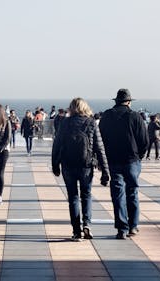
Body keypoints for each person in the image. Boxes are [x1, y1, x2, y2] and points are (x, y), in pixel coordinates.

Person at [52, 98, 109, 241]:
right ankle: (87, 225)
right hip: (86, 165)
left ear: (71, 108)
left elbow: (57, 144)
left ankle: (76, 231)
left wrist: (55, 165)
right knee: (86, 195)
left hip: (68, 165)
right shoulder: (91, 122)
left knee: (73, 197)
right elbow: (99, 147)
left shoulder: (65, 123)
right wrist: (105, 171)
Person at [99, 89, 148, 240]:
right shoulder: (135, 116)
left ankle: (122, 228)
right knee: (132, 192)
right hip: (131, 160)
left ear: (116, 101)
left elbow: (100, 139)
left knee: (117, 194)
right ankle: (133, 226)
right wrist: (138, 156)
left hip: (112, 160)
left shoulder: (106, 116)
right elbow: (144, 141)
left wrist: (103, 159)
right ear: (129, 102)